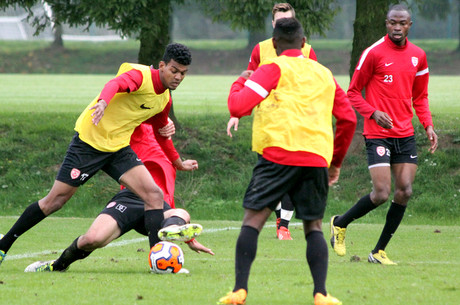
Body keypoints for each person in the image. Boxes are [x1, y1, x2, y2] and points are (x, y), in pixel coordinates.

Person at [0, 43, 197, 267]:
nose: (178, 76)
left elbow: (161, 133)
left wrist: (178, 162)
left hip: (117, 148)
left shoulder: (164, 99)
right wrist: (103, 101)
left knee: (153, 195)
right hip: (88, 143)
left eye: (183, 73)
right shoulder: (141, 76)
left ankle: (156, 259)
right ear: (162, 66)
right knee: (54, 202)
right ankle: (3, 245)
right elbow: (115, 83)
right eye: (174, 70)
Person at [218, 18, 356, 305]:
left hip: (276, 157)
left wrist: (241, 79)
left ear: (275, 43)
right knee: (313, 227)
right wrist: (335, 162)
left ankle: (239, 290)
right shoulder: (324, 74)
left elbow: (238, 106)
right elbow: (348, 119)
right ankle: (321, 293)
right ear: (304, 43)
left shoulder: (272, 69)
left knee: (252, 222)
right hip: (315, 159)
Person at [330, 4, 438, 265]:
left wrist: (428, 125)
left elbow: (420, 96)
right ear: (386, 24)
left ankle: (378, 251)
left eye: (402, 23)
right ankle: (340, 224)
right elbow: (353, 92)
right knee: (380, 193)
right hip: (377, 132)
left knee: (405, 191)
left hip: (405, 133)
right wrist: (372, 112)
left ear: (409, 25)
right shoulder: (373, 53)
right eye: (392, 23)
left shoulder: (418, 56)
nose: (397, 27)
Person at [227, 3, 318, 240]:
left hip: (298, 124)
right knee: (272, 175)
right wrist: (236, 113)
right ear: (272, 24)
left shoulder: (307, 50)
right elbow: (249, 79)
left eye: (287, 20)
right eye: (279, 22)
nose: (283, 25)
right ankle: (280, 225)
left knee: (293, 174)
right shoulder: (260, 49)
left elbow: (316, 84)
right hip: (268, 123)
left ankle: (282, 225)